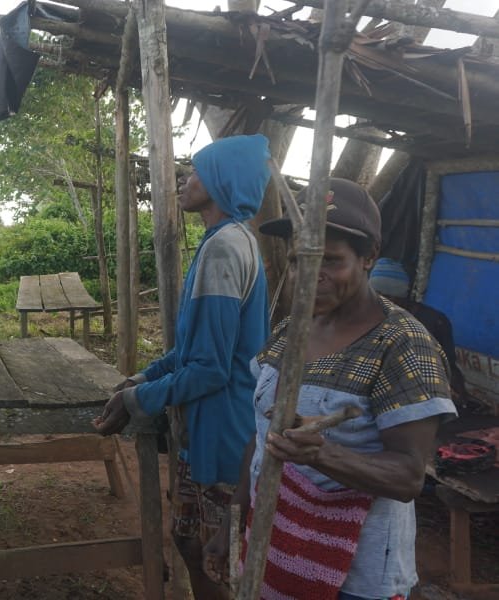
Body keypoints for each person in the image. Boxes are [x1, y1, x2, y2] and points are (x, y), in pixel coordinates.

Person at [205, 178, 458, 599]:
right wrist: (235, 517)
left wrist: (321, 454)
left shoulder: (401, 344)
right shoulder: (287, 332)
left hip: (357, 578)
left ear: (369, 257)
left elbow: (409, 476)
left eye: (331, 261)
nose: (311, 276)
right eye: (299, 260)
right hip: (277, 550)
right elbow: (259, 434)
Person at [94, 134, 272, 599]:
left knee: (217, 558)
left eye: (195, 172)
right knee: (190, 542)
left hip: (222, 435)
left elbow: (211, 369)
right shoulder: (230, 242)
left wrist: (135, 399)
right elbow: (190, 351)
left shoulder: (223, 250)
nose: (185, 180)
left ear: (219, 181)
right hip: (210, 429)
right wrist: (141, 378)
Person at [369, 257, 470, 409]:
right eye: (377, 294)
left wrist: (455, 392)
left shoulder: (434, 321)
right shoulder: (368, 316)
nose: (382, 300)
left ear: (403, 295)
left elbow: (447, 363)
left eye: (389, 296)